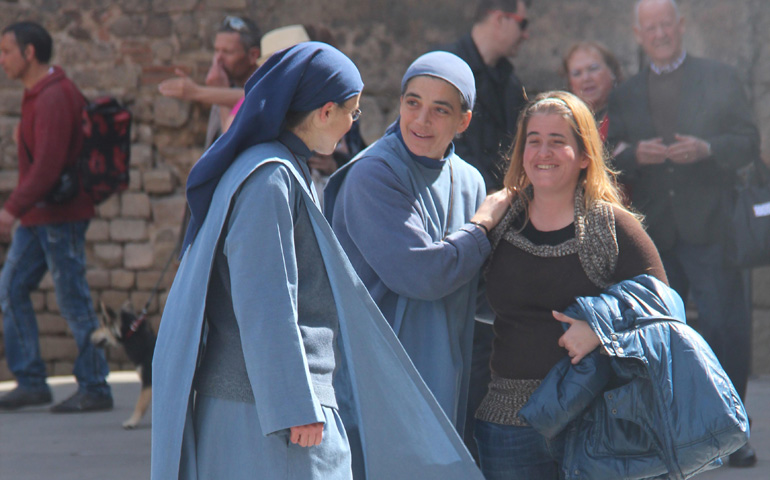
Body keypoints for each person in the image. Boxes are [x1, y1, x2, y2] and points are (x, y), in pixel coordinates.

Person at [151, 43, 486, 480]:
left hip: (266, 408)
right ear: (326, 112)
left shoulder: (281, 168)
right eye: (353, 112)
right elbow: (265, 301)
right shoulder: (269, 176)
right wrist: (294, 405)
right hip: (263, 414)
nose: (353, 125)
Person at [473, 91, 668, 479]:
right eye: (534, 140)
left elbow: (663, 307)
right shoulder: (499, 220)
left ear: (584, 156)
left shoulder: (611, 225)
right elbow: (448, 283)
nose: (543, 151)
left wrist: (600, 328)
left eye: (557, 141)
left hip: (598, 422)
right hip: (507, 424)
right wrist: (478, 226)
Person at [607, 0, 760, 467]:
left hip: (711, 226)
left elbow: (749, 141)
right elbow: (610, 152)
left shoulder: (720, 76)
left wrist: (708, 148)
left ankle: (732, 433)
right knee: (659, 335)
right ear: (638, 34)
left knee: (724, 329)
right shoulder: (627, 92)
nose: (659, 33)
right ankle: (672, 433)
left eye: (665, 24)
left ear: (681, 26)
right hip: (656, 232)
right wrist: (636, 154)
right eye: (649, 27)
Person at [325, 51, 511, 433]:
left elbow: (470, 286)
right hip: (377, 381)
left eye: (440, 110)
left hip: (444, 377)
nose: (421, 120)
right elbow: (423, 275)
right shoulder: (372, 176)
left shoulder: (470, 180)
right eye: (413, 103)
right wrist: (481, 226)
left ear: (464, 122)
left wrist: (542, 304)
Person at [0, 21, 112, 412]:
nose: (2, 60)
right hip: (39, 217)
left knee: (74, 300)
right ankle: (30, 380)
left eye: (6, 51)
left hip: (58, 216)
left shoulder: (52, 96)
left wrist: (10, 208)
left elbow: (47, 167)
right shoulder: (39, 93)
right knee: (10, 288)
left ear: (29, 53)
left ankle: (96, 386)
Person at [440, 0, 531, 457]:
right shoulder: (449, 72)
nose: (526, 34)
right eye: (523, 23)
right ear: (500, 16)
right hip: (456, 231)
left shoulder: (508, 81)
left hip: (501, 234)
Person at [158, 15, 261, 147]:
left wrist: (198, 92)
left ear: (253, 55)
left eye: (227, 52)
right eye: (216, 51)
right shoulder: (227, 85)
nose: (218, 60)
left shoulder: (263, 91)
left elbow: (230, 144)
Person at [562, 40, 622, 142]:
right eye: (577, 73)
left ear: (612, 72)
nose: (586, 78)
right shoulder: (564, 124)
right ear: (570, 83)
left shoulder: (629, 114)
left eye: (593, 69)